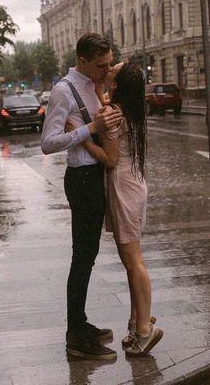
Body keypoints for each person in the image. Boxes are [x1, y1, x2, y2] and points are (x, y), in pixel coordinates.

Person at [70, 61, 164, 356]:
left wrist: (82, 136)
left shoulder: (111, 114)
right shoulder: (128, 108)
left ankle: (145, 331)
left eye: (116, 67)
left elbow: (109, 159)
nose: (111, 65)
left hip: (123, 186)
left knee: (133, 259)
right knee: (130, 259)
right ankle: (138, 322)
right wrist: (100, 91)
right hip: (134, 182)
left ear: (119, 82)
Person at [41, 32, 122, 361]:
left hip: (95, 176)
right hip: (81, 178)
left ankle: (81, 322)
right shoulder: (64, 90)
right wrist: (90, 130)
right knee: (81, 258)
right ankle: (76, 335)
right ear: (83, 60)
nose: (106, 69)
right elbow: (48, 142)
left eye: (108, 63)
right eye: (101, 65)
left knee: (86, 257)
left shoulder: (91, 84)